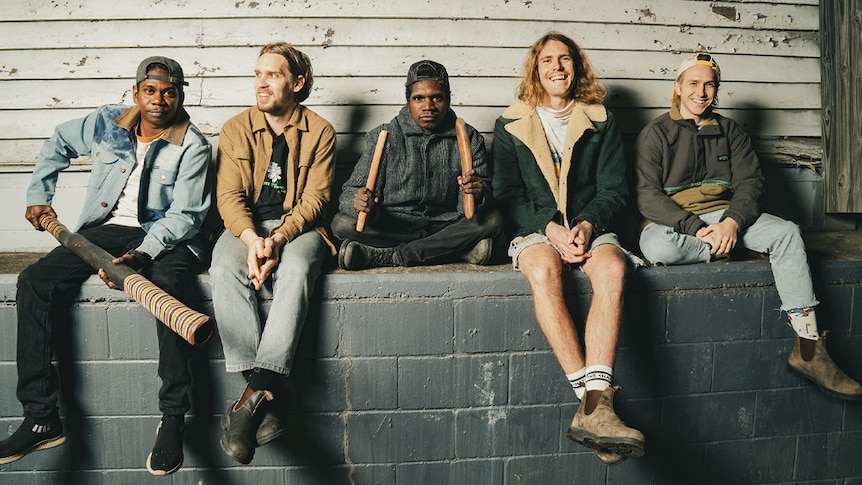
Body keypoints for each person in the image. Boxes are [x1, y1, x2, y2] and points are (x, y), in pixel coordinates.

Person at [0, 57, 212, 476]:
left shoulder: (193, 145)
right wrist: (39, 192)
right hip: (106, 230)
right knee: (34, 282)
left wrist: (143, 254)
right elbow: (59, 141)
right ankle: (42, 417)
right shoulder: (107, 122)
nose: (158, 100)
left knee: (167, 289)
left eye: (169, 91)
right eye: (150, 90)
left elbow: (186, 215)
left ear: (180, 96)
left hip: (166, 237)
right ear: (135, 93)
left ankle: (173, 418)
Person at [635, 52, 862, 401]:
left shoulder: (731, 131)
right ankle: (731, 249)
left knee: (787, 232)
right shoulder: (656, 133)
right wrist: (697, 228)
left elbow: (751, 184)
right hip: (675, 222)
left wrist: (731, 223)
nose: (701, 91)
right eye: (693, 83)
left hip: (726, 218)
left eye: (709, 84)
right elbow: (648, 197)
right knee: (657, 248)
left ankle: (808, 347)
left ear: (717, 89)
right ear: (677, 87)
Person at [491, 32, 645, 465]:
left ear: (577, 68)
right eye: (547, 61)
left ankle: (593, 414)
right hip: (536, 228)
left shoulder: (602, 119)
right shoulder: (509, 124)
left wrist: (586, 223)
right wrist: (548, 228)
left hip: (589, 225)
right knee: (542, 269)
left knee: (614, 269)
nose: (557, 67)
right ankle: (597, 409)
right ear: (535, 70)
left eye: (566, 60)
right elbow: (506, 194)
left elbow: (616, 189)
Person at [210, 41, 336, 465]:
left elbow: (317, 199)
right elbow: (228, 197)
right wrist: (251, 241)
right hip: (244, 228)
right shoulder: (235, 128)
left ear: (297, 83)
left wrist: (279, 240)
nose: (261, 83)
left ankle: (246, 403)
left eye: (273, 74)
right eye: (258, 73)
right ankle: (263, 397)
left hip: (298, 228)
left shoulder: (320, 131)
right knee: (223, 267)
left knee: (299, 269)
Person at [332, 60, 501, 269]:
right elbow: (349, 193)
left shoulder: (469, 138)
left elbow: (478, 203)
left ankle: (391, 256)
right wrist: (360, 204)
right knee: (341, 223)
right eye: (419, 98)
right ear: (408, 101)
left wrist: (477, 193)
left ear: (448, 99)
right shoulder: (384, 136)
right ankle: (456, 250)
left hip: (445, 225)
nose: (428, 106)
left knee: (493, 219)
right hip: (393, 226)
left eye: (436, 97)